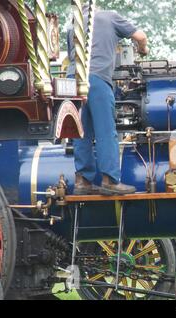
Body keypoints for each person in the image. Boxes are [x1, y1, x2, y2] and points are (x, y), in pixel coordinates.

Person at [67, 5, 148, 195]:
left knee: (80, 132)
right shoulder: (110, 16)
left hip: (72, 81)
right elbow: (141, 37)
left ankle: (83, 182)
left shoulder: (72, 24)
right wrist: (143, 49)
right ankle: (110, 180)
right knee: (106, 131)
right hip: (96, 78)